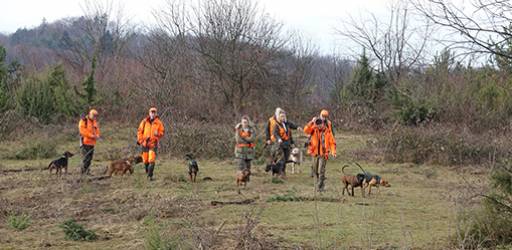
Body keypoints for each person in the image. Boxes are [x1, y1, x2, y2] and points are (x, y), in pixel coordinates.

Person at [304, 109, 336, 192]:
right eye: (318, 123)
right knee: (315, 170)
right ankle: (317, 184)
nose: (319, 125)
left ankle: (320, 187)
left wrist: (333, 151)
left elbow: (332, 142)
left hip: (323, 154)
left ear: (323, 124)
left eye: (321, 123)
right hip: (314, 153)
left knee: (321, 170)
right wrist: (311, 122)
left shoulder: (328, 131)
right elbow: (306, 130)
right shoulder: (313, 128)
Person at [137, 107, 165, 181]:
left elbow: (162, 133)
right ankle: (147, 171)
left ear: (156, 114)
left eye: (154, 112)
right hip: (145, 143)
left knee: (151, 159)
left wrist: (158, 133)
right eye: (151, 112)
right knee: (145, 160)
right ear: (149, 113)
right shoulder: (144, 121)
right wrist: (140, 140)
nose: (153, 114)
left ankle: (150, 176)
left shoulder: (159, 123)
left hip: (153, 144)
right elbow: (139, 131)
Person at [272, 111, 296, 177]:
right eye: (281, 116)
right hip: (280, 145)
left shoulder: (287, 125)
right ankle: (278, 173)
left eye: (284, 116)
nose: (283, 118)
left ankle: (283, 172)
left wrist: (292, 142)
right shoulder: (276, 125)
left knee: (285, 159)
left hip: (287, 144)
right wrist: (279, 139)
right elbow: (275, 133)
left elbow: (289, 135)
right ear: (279, 117)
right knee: (281, 159)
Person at [78, 109, 100, 175]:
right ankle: (83, 173)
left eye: (96, 116)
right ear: (90, 114)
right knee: (85, 158)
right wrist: (92, 136)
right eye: (93, 115)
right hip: (85, 142)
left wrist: (97, 135)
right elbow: (82, 131)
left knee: (90, 158)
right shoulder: (84, 120)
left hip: (92, 143)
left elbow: (97, 130)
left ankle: (87, 172)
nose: (95, 117)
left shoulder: (95, 122)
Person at [235, 116, 256, 181]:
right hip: (240, 151)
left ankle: (247, 179)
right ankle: (241, 179)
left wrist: (243, 137)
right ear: (241, 122)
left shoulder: (252, 130)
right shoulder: (238, 129)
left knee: (248, 166)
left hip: (249, 151)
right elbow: (238, 140)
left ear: (248, 122)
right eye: (243, 122)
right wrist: (247, 139)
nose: (245, 123)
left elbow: (252, 139)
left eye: (246, 122)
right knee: (241, 166)